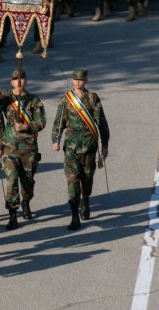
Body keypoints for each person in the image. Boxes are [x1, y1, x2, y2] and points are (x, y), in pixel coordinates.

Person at [51, 69, 110, 231]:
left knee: (87, 179)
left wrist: (105, 144)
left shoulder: (92, 98)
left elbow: (101, 121)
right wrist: (55, 139)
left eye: (81, 79)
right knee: (72, 180)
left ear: (86, 81)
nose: (77, 82)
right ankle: (74, 216)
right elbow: (59, 121)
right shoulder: (66, 99)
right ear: (71, 80)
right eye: (75, 79)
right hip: (71, 147)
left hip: (89, 147)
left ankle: (86, 200)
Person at [0, 69, 46, 229]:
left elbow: (41, 122)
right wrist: (6, 93)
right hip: (10, 147)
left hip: (29, 148)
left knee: (28, 182)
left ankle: (26, 201)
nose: (19, 82)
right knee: (12, 179)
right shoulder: (7, 99)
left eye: (21, 78)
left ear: (26, 80)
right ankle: (12, 214)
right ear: (11, 82)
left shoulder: (34, 100)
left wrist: (28, 126)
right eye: (15, 80)